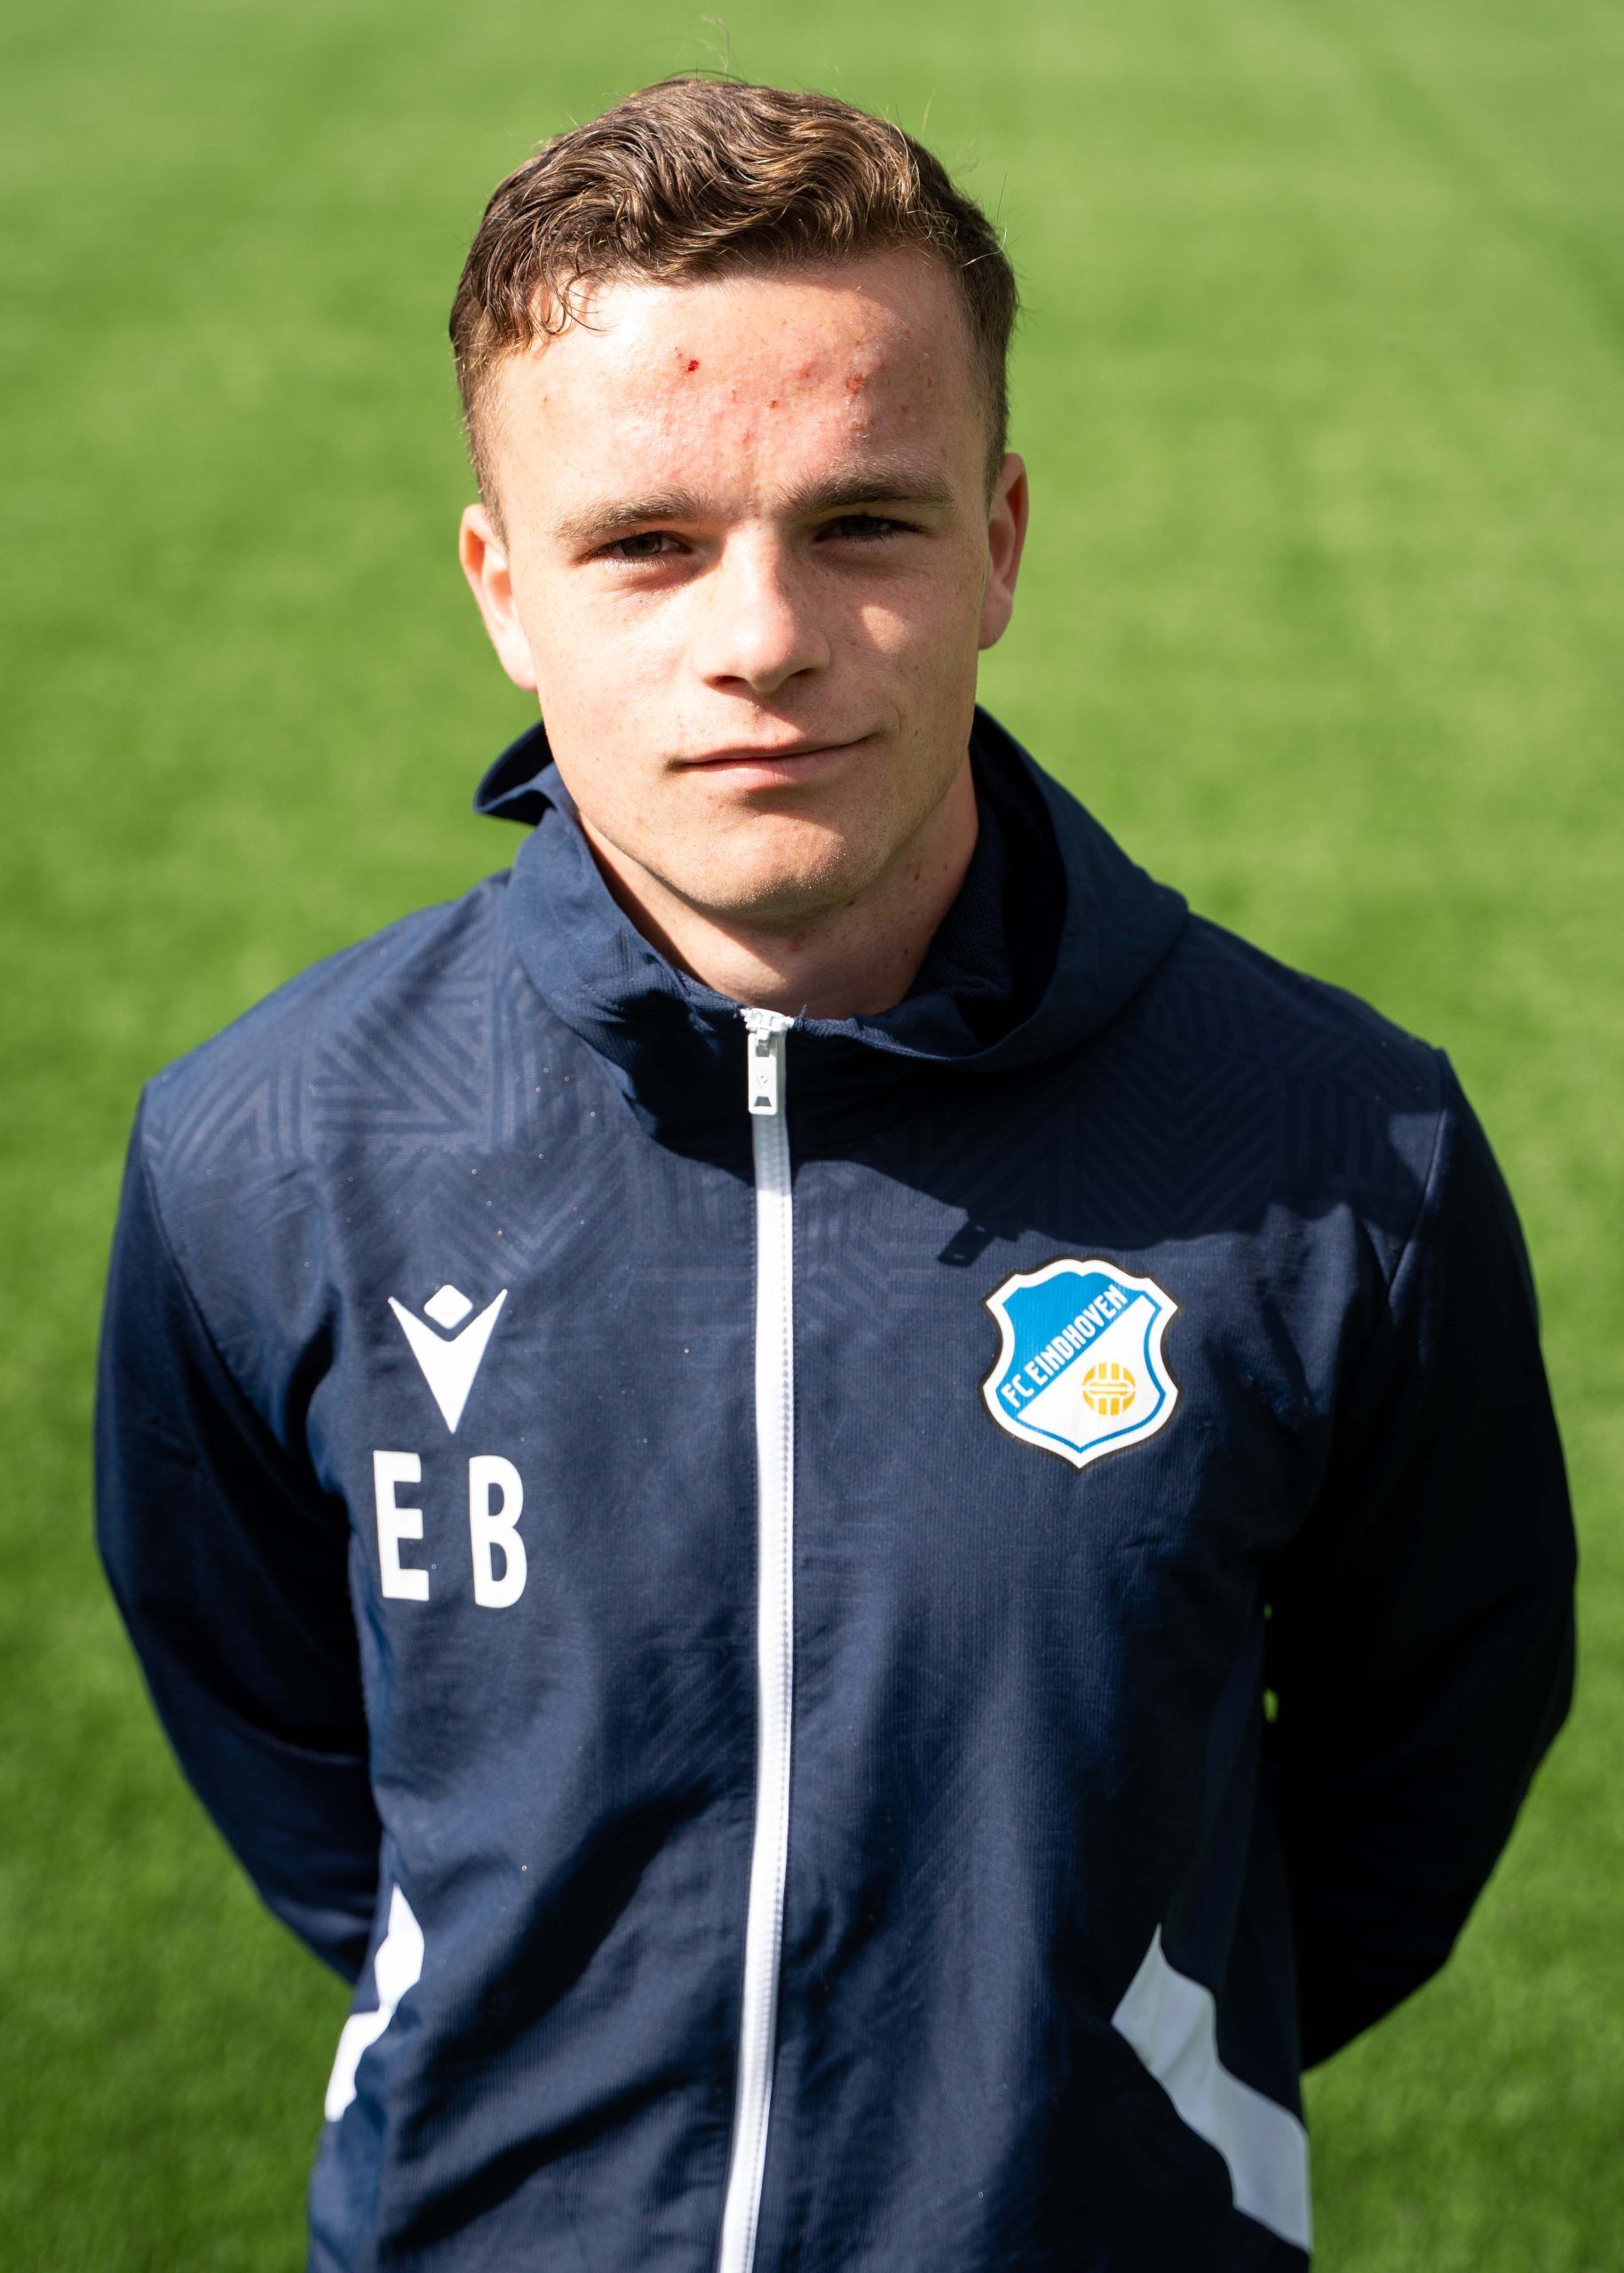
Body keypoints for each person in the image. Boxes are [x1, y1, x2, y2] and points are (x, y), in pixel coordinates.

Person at [94, 75, 1576, 2273]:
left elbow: (1423, 1751)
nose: (763, 635)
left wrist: (1117, 2065)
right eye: (646, 542)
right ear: (504, 588)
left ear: (1002, 540)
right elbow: (277, 1728)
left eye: (864, 522)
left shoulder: (1342, 1153)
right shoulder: (269, 1145)